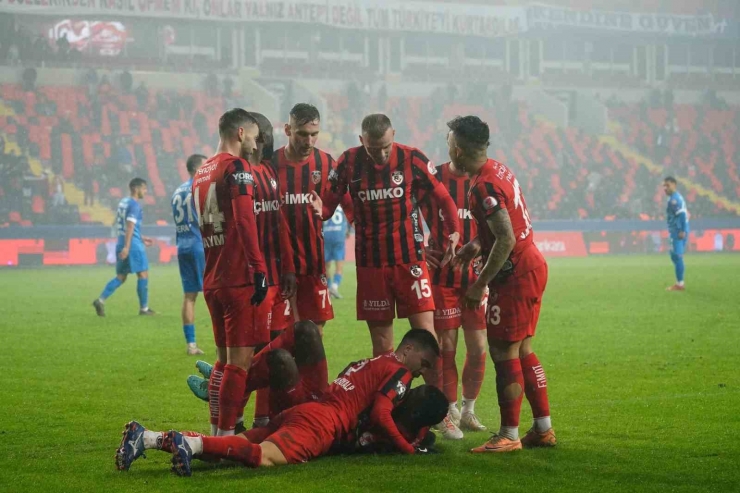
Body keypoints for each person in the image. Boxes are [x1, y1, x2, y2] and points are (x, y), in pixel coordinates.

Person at [116, 328, 443, 475]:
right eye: (424, 365)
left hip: (303, 411)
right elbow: (381, 412)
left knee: (230, 447)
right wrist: (408, 449)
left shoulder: (371, 361)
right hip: (320, 424)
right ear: (409, 350)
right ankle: (188, 446)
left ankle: (147, 438)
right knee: (263, 457)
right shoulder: (399, 372)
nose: (421, 373)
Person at [315, 114, 460, 377]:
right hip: (371, 265)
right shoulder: (348, 162)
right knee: (383, 347)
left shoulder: (412, 158)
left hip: (410, 262)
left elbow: (444, 198)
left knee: (427, 340)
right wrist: (320, 209)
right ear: (362, 141)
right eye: (373, 149)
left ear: (393, 134)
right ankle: (388, 406)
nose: (380, 154)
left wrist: (455, 231)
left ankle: (442, 411)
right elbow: (328, 205)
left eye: (385, 147)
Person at [447, 116, 555, 453]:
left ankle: (508, 435)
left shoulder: (484, 186)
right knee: (523, 349)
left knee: (502, 351)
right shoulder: (497, 169)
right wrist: (476, 245)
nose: (447, 147)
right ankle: (542, 429)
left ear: (460, 149)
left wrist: (479, 285)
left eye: (450, 142)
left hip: (515, 274)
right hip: (531, 266)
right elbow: (501, 229)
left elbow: (505, 238)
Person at [193, 109, 268, 437]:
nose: (255, 142)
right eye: (253, 135)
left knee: (223, 363)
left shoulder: (201, 170)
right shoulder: (236, 167)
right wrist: (259, 267)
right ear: (240, 133)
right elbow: (243, 219)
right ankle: (225, 440)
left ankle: (214, 430)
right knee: (239, 364)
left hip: (212, 276)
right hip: (238, 277)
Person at [419, 159, 488, 440]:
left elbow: (495, 225)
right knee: (447, 346)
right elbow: (404, 213)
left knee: (478, 346)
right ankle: (448, 409)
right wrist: (418, 247)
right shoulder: (433, 177)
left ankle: (468, 410)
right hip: (442, 279)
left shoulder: (485, 180)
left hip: (475, 279)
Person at [271, 103, 350, 334]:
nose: (308, 141)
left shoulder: (326, 164)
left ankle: (309, 371)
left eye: (314, 135)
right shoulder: (270, 165)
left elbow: (347, 203)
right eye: (302, 134)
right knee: (281, 332)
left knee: (315, 329)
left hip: (313, 262)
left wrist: (327, 212)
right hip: (277, 265)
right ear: (288, 130)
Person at [93, 178, 155, 316]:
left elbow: (124, 226)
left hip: (121, 241)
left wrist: (141, 237)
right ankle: (144, 309)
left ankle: (100, 300)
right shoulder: (134, 205)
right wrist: (128, 247)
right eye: (143, 188)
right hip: (131, 245)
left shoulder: (123, 202)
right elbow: (130, 225)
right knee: (143, 274)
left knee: (121, 277)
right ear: (135, 188)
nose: (145, 191)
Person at [171, 154, 207, 356]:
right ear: (196, 169)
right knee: (214, 294)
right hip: (199, 245)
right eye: (205, 164)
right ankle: (225, 342)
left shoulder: (177, 191)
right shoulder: (199, 188)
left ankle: (191, 344)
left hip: (182, 245)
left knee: (190, 296)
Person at [663, 176, 689, 291]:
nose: (665, 188)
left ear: (674, 184)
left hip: (678, 231)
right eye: (664, 186)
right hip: (677, 230)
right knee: (673, 255)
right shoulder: (676, 197)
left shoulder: (674, 200)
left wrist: (682, 230)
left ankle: (680, 284)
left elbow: (682, 214)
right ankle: (680, 282)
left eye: (667, 185)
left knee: (677, 256)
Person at [323, 205, 350, 299]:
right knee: (339, 265)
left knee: (326, 266)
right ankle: (334, 287)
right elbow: (348, 218)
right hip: (339, 236)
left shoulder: (325, 204)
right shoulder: (342, 206)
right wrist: (348, 231)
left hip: (326, 236)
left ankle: (329, 287)